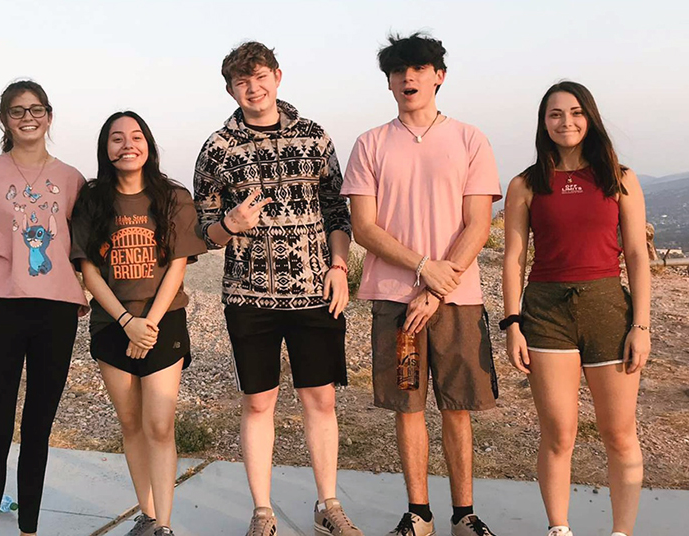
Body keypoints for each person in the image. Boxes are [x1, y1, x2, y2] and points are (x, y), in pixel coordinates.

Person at [193, 41, 362, 536]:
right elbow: (204, 230)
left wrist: (338, 266)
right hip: (248, 296)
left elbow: (337, 211)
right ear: (231, 89)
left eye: (260, 76)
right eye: (242, 81)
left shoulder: (314, 137)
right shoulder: (217, 148)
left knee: (320, 400)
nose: (253, 88)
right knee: (258, 403)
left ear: (278, 77)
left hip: (315, 291)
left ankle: (328, 505)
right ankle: (262, 512)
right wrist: (229, 224)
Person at [342, 33, 501, 536]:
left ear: (439, 76)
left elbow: (479, 224)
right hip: (395, 299)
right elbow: (364, 227)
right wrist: (422, 268)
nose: (408, 77)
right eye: (398, 70)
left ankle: (464, 514)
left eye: (418, 68)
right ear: (389, 82)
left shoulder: (470, 139)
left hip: (456, 298)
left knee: (458, 407)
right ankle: (420, 513)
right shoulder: (370, 143)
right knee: (407, 406)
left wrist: (437, 284)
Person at [501, 81, 650, 536]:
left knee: (619, 434)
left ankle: (621, 532)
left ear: (590, 118)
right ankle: (559, 528)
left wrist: (641, 325)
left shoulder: (620, 178)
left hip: (608, 307)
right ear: (544, 123)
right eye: (555, 114)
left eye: (576, 112)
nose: (566, 121)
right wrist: (512, 322)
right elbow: (514, 257)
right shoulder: (525, 184)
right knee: (559, 434)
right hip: (546, 312)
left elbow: (637, 255)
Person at [0, 80, 88, 536]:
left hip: (56, 315)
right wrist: (4, 285)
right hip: (2, 312)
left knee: (38, 430)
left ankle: (28, 528)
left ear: (49, 116)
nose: (28, 117)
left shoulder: (72, 179)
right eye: (17, 110)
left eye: (36, 109)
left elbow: (82, 251)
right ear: (4, 119)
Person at [71, 111, 206, 536]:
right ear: (105, 149)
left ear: (148, 144)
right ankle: (146, 516)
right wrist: (127, 321)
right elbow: (89, 271)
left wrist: (147, 324)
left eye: (135, 136)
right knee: (131, 424)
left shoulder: (173, 197)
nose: (127, 144)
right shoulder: (92, 200)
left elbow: (178, 264)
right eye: (116, 138)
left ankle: (164, 525)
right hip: (112, 323)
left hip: (163, 321)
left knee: (159, 426)